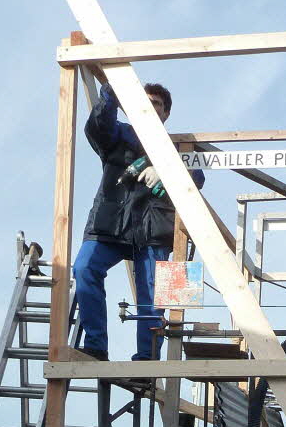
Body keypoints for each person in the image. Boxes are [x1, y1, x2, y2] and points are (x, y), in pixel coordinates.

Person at [72, 80, 205, 361]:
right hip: (111, 224)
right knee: (84, 268)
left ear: (166, 113)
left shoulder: (179, 147)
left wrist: (167, 170)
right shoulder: (119, 135)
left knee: (153, 297)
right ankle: (95, 345)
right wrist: (110, 91)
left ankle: (147, 358)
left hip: (153, 230)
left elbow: (197, 178)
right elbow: (97, 126)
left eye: (156, 104)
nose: (150, 107)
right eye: (145, 102)